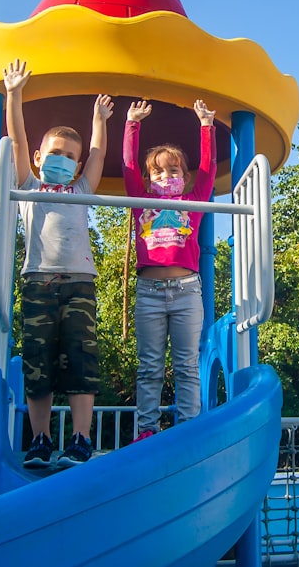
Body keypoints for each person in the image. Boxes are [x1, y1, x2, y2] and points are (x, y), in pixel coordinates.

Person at [2, 59, 114, 468]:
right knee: (38, 362)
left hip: (80, 282)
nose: (63, 159)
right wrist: (14, 94)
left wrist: (98, 119)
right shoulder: (29, 185)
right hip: (39, 281)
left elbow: (98, 152)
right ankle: (42, 441)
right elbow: (16, 141)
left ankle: (81, 440)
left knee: (81, 358)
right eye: (55, 153)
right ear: (38, 156)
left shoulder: (82, 187)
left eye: (71, 155)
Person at [123, 98, 216, 442]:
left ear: (184, 177)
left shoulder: (192, 203)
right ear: (149, 179)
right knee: (149, 367)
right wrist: (132, 124)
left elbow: (207, 171)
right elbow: (129, 167)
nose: (166, 176)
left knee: (187, 366)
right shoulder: (140, 201)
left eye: (173, 170)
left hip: (187, 290)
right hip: (149, 293)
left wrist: (205, 126)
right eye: (159, 171)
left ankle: (189, 428)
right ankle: (147, 429)